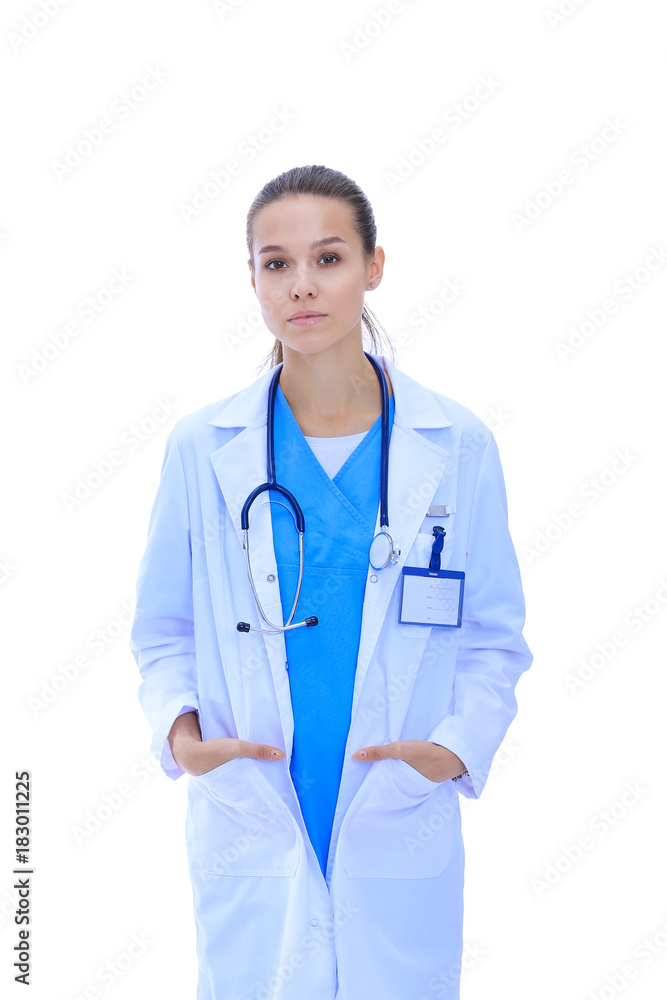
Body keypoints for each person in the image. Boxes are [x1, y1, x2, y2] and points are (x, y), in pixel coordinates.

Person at [129, 164, 533, 1000]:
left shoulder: (454, 442)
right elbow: (162, 629)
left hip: (394, 804)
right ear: (251, 280)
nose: (301, 286)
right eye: (276, 263)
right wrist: (183, 736)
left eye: (328, 258)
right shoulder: (204, 447)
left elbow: (494, 639)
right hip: (255, 798)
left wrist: (451, 749)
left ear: (373, 267)